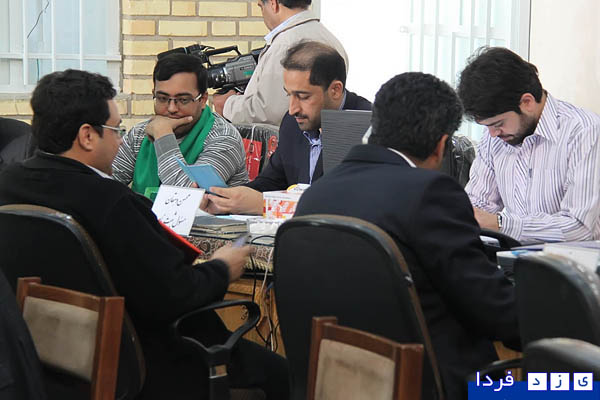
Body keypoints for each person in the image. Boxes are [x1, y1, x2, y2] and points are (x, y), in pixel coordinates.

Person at [0, 69, 289, 399]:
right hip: (146, 363)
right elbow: (174, 295)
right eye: (116, 130)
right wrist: (222, 268)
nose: (121, 141)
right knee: (283, 375)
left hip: (49, 360)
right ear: (87, 136)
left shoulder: (8, 184)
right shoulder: (110, 203)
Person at [294, 72, 519, 399]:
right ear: (441, 145)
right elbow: (493, 310)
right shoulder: (431, 193)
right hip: (464, 389)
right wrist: (568, 324)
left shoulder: (315, 196)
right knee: (580, 389)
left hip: (347, 386)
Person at [204, 41, 371, 215]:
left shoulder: (366, 128)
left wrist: (265, 205)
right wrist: (226, 200)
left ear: (335, 90)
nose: (292, 109)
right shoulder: (292, 123)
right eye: (289, 95)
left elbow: (346, 205)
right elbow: (271, 182)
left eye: (303, 97)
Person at [458, 47, 600, 243]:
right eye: (487, 126)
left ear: (527, 102)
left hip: (571, 259)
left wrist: (501, 224)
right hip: (511, 255)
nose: (492, 134)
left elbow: (578, 227)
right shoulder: (496, 135)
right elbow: (478, 205)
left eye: (498, 124)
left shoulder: (584, 131)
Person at [112, 53, 248, 197]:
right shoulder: (139, 134)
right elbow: (106, 183)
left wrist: (163, 136)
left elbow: (188, 198)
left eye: (183, 100)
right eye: (162, 98)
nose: (171, 108)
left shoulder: (224, 138)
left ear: (203, 100)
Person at [212, 0, 348, 127]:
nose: (263, 14)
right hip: (326, 136)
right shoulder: (330, 39)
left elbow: (269, 112)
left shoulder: (284, 45)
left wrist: (228, 105)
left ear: (273, 3)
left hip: (294, 141)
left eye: (261, 6)